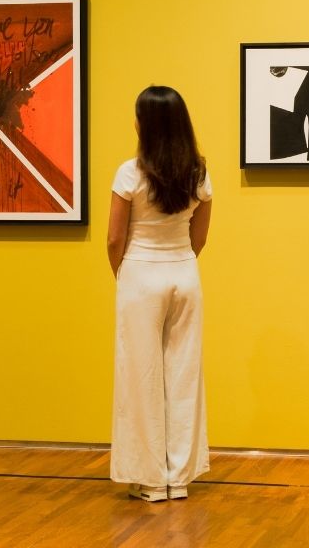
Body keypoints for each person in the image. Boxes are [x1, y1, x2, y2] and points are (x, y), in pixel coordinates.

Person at [106, 86, 213, 502]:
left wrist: (125, 274)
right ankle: (179, 478)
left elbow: (115, 238)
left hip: (140, 275)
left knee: (141, 375)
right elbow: (199, 237)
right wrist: (178, 261)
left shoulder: (129, 173)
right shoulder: (199, 173)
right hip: (185, 273)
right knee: (184, 374)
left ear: (144, 124)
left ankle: (150, 479)